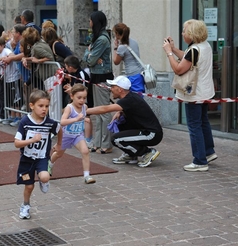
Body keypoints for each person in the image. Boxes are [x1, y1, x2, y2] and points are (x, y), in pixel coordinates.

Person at [163, 19, 216, 172]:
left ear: (192, 34)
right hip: (205, 91)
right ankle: (208, 152)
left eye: (184, 31)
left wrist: (168, 52)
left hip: (194, 93)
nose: (182, 33)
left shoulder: (194, 50)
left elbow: (179, 69)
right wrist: (174, 48)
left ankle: (199, 161)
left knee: (194, 126)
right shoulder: (204, 46)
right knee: (203, 122)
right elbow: (188, 57)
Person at [86, 76, 163, 167]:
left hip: (152, 134)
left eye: (113, 87)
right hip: (147, 131)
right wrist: (120, 112)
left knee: (116, 139)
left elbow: (105, 108)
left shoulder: (128, 100)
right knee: (121, 124)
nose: (111, 89)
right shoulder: (130, 97)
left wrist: (85, 111)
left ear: (120, 89)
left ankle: (147, 152)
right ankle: (131, 155)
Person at [14, 90, 63, 219]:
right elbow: (17, 143)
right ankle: (25, 205)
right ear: (32, 106)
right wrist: (31, 140)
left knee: (45, 176)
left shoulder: (49, 123)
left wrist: (58, 144)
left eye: (47, 106)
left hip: (42, 158)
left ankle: (43, 180)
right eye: (40, 106)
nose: (44, 109)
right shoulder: (25, 122)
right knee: (29, 186)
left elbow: (59, 129)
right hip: (27, 159)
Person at [48, 84, 95, 184]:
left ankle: (87, 176)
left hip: (78, 135)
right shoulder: (69, 108)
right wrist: (76, 119)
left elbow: (82, 116)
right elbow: (62, 122)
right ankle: (50, 164)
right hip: (66, 136)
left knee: (85, 151)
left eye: (84, 98)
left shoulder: (84, 107)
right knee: (58, 154)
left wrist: (84, 119)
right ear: (72, 96)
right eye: (79, 98)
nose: (82, 101)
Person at [83, 11, 114, 154]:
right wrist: (90, 54)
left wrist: (91, 55)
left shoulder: (102, 39)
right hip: (96, 76)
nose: (89, 23)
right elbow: (88, 56)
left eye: (90, 20)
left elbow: (90, 60)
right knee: (98, 111)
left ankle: (106, 144)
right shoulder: (96, 38)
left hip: (102, 77)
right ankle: (97, 142)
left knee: (104, 112)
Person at [62, 55, 93, 146]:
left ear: (70, 67)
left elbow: (82, 89)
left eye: (66, 66)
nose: (65, 68)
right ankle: (76, 135)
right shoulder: (74, 74)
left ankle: (88, 139)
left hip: (85, 100)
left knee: (86, 118)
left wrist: (71, 91)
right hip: (77, 99)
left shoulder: (81, 74)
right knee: (79, 118)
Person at [0, 37, 21, 126]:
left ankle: (18, 117)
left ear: (2, 45)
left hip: (13, 77)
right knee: (9, 98)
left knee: (16, 98)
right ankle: (11, 116)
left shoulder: (6, 51)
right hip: (6, 78)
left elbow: (12, 56)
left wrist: (2, 59)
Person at [112, 23, 145, 93]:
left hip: (132, 75)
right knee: (138, 97)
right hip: (139, 74)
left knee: (134, 99)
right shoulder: (134, 42)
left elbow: (116, 61)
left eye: (115, 33)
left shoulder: (122, 47)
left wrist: (115, 48)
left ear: (117, 34)